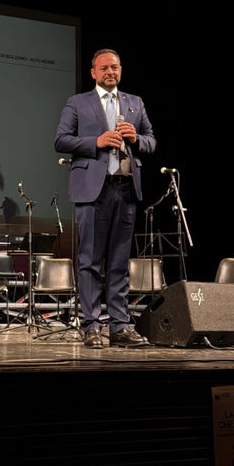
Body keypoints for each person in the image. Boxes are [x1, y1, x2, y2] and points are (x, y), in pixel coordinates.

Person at [54, 48, 156, 349]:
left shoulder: (134, 103)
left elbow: (152, 140)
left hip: (125, 188)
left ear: (120, 70)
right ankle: (91, 326)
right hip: (93, 189)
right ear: (93, 73)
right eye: (104, 68)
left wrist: (137, 139)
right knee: (90, 261)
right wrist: (95, 142)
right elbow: (60, 139)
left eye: (114, 67)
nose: (110, 72)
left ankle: (120, 326)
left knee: (120, 262)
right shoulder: (78, 103)